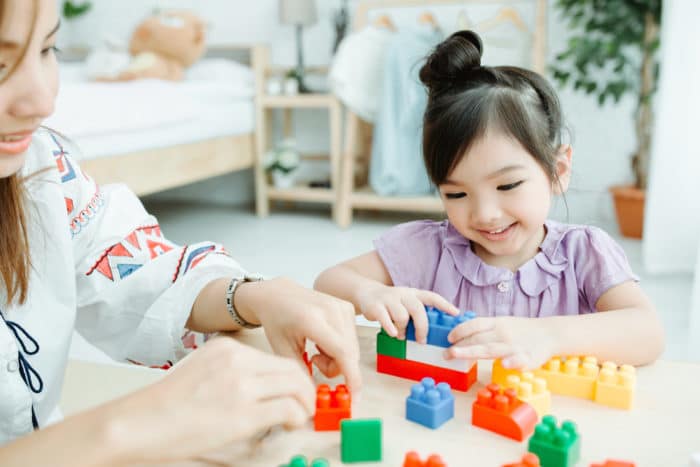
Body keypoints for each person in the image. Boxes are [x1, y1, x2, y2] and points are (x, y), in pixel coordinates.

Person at [0, 0, 360, 464]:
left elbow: (133, 268)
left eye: (48, 49)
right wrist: (122, 429)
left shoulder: (42, 170)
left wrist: (254, 297)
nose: (43, 102)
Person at [315, 30, 664, 370]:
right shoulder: (427, 249)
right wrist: (369, 294)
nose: (485, 214)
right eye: (456, 193)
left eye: (508, 185)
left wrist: (547, 335)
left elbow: (648, 333)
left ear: (558, 168)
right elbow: (330, 281)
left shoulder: (583, 253)